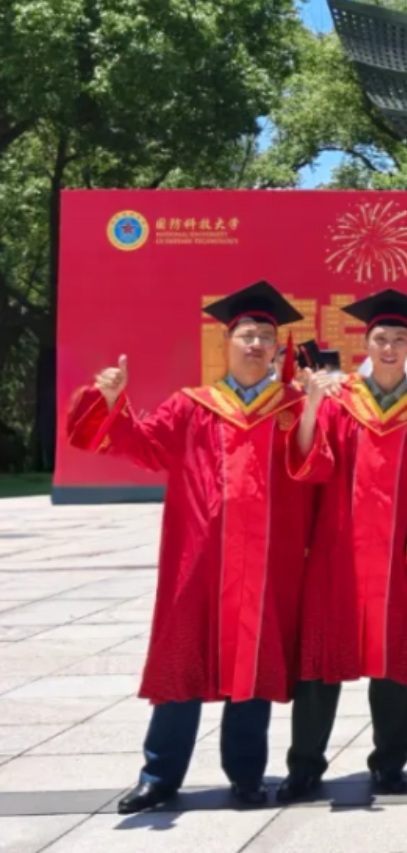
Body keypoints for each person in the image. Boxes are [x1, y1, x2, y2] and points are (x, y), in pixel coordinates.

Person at [64, 282, 312, 813]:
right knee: (181, 666)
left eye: (266, 336)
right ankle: (159, 776)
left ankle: (246, 775)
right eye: (247, 334)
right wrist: (111, 402)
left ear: (277, 348)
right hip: (197, 563)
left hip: (267, 564)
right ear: (226, 342)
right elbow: (144, 445)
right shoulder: (191, 406)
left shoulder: (295, 408)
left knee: (252, 669)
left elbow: (320, 473)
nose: (256, 344)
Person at [278, 289, 407, 801]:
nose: (390, 348)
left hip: (397, 555)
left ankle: (390, 764)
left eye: (399, 339)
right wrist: (312, 406)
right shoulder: (339, 401)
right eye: (381, 339)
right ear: (366, 344)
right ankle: (304, 765)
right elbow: (311, 463)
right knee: (320, 663)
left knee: (392, 663)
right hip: (337, 553)